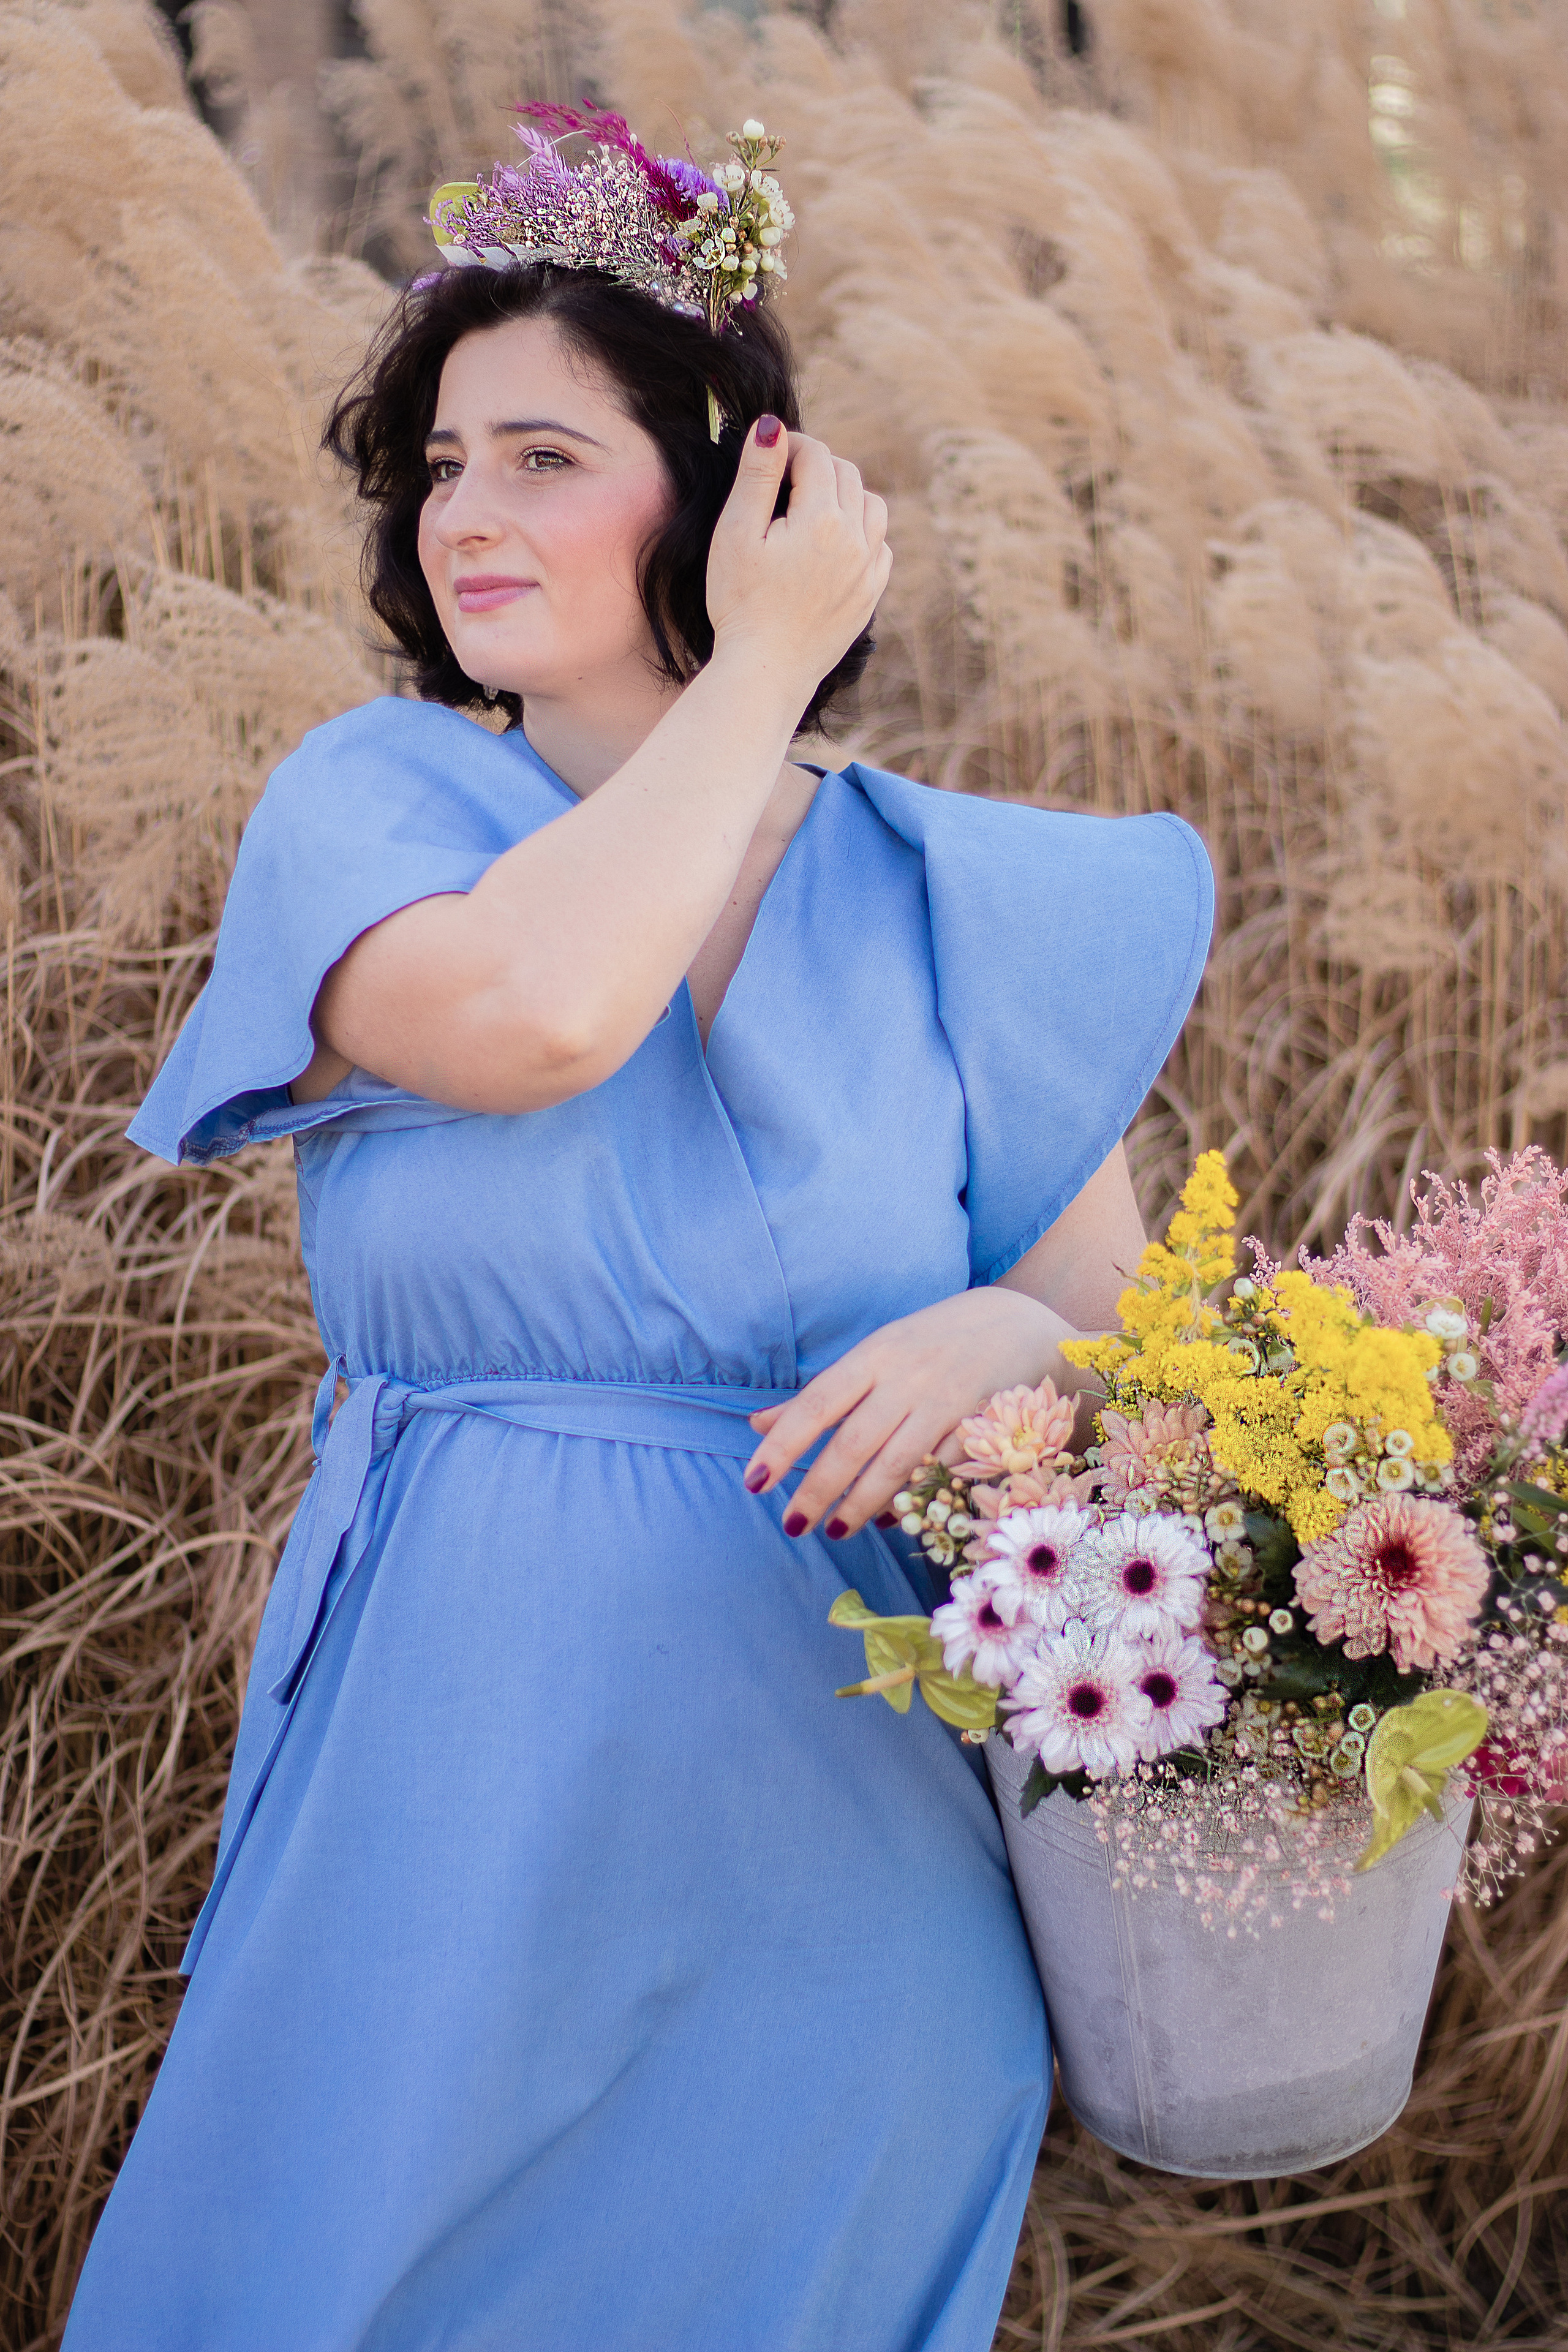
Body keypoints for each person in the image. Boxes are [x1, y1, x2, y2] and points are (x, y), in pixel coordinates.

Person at [63, 118, 1212, 2352]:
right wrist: (757, 677)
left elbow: (1153, 1389)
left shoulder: (966, 900)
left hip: (853, 1852)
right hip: (456, 1797)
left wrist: (999, 1336)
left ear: (729, 488)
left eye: (542, 457)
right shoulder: (376, 812)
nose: (464, 514)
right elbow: (550, 1013)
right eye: (438, 465)